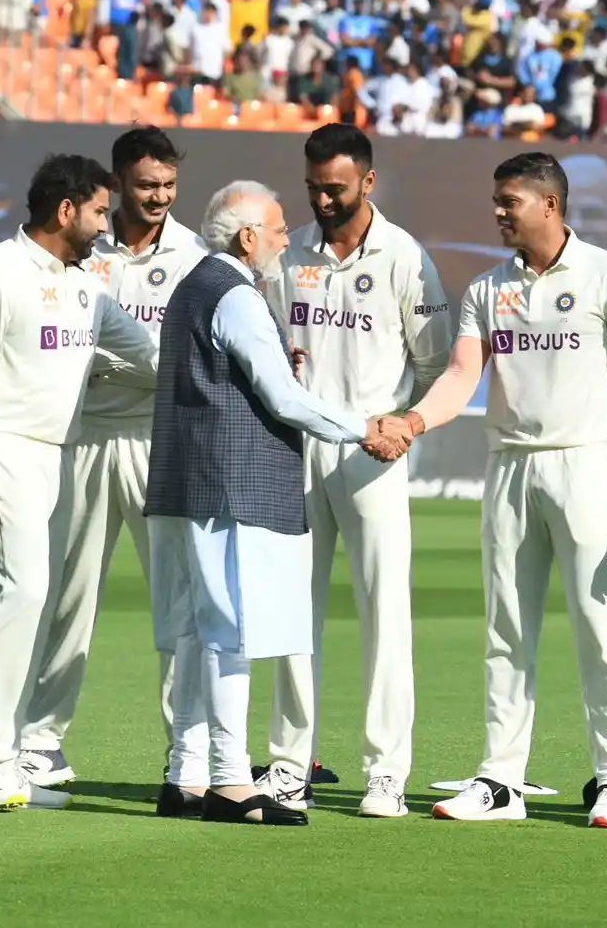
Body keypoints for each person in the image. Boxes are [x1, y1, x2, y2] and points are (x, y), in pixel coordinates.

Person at [398, 151, 607, 827]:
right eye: (496, 200)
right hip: (510, 466)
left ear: (549, 204)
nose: (498, 212)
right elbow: (462, 375)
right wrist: (416, 419)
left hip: (582, 466)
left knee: (601, 628)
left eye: (509, 201)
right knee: (507, 627)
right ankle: (501, 780)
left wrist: (598, 438)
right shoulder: (489, 288)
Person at [145, 181, 409, 825]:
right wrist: (363, 427)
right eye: (279, 228)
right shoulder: (235, 294)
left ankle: (185, 776)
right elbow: (284, 399)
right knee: (229, 630)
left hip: (185, 481)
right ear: (247, 236)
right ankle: (233, 782)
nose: (287, 239)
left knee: (190, 630)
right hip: (229, 483)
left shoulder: (192, 285)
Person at [0, 154, 160, 810]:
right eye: (98, 211)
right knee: (22, 592)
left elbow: (151, 356)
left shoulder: (85, 286)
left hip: (58, 456)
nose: (105, 224)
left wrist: (234, 363)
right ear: (66, 210)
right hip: (3, 447)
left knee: (38, 601)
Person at [263, 124, 451, 819]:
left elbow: (436, 363)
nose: (321, 199)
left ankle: (386, 772)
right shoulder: (289, 253)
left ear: (368, 182)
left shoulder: (404, 256)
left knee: (384, 612)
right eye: (312, 186)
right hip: (299, 448)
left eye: (334, 188)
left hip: (373, 453)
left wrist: (403, 424)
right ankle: (289, 764)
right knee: (291, 613)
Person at [16, 127, 205, 790]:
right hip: (85, 435)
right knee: (66, 600)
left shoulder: (193, 255)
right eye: (147, 185)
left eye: (169, 186)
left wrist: (112, 362)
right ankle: (39, 742)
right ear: (117, 183)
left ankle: (188, 747)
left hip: (161, 443)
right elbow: (66, 345)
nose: (158, 197)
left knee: (178, 605)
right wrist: (126, 362)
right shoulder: (82, 246)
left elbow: (186, 357)